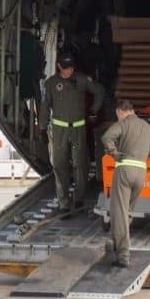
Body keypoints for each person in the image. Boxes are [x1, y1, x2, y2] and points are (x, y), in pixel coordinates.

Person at [38, 52, 104, 212]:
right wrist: (42, 128)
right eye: (66, 68)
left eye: (71, 68)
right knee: (60, 165)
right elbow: (45, 106)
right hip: (59, 130)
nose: (69, 71)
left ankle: (79, 198)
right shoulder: (51, 83)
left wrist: (94, 110)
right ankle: (64, 203)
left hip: (78, 128)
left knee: (80, 164)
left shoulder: (81, 80)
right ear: (59, 66)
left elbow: (99, 91)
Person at [101, 99, 150, 268]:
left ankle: (123, 257)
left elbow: (106, 137)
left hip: (125, 171)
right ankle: (113, 243)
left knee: (119, 214)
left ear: (121, 112)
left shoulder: (124, 124)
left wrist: (114, 153)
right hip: (141, 174)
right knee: (126, 213)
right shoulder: (147, 127)